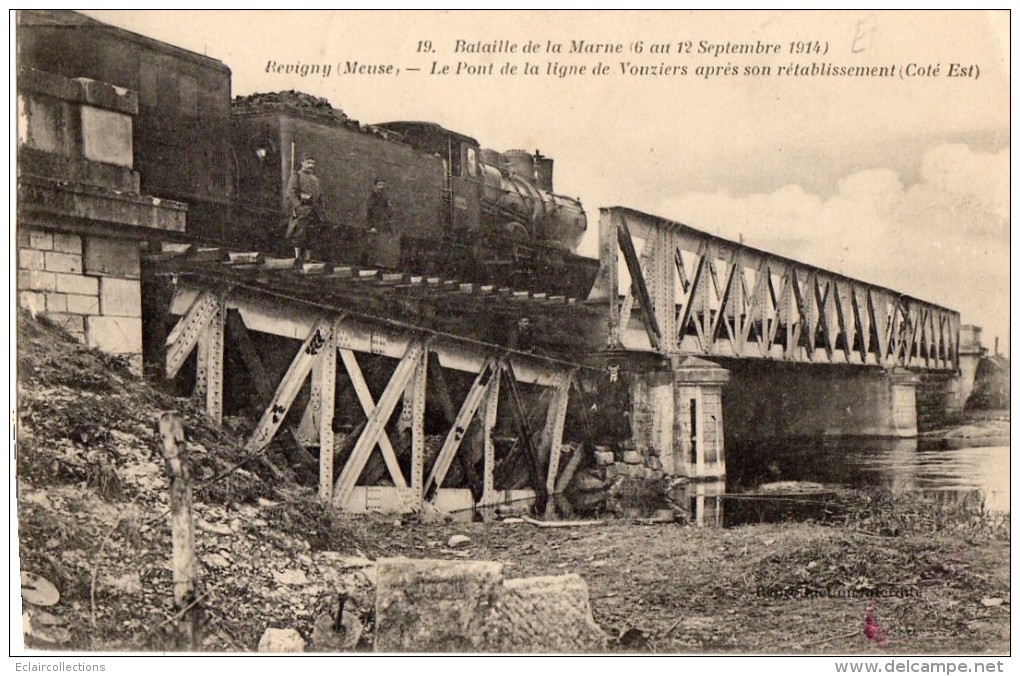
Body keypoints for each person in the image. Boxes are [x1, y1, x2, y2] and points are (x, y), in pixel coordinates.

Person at [285, 152, 323, 261]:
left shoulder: (315, 180)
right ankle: (297, 257)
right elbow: (291, 193)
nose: (311, 165)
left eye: (312, 163)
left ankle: (308, 258)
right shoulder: (296, 176)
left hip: (314, 210)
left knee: (312, 235)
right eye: (308, 162)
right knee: (299, 233)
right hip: (302, 209)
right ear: (303, 163)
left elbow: (320, 196)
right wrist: (298, 207)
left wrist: (321, 211)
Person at [361, 178, 392, 266]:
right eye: (379, 185)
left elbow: (388, 211)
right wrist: (371, 226)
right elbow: (369, 212)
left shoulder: (384, 197)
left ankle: (376, 263)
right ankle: (366, 264)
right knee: (370, 244)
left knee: (379, 244)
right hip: (373, 225)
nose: (381, 187)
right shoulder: (372, 197)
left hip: (381, 225)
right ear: (375, 186)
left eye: (383, 185)